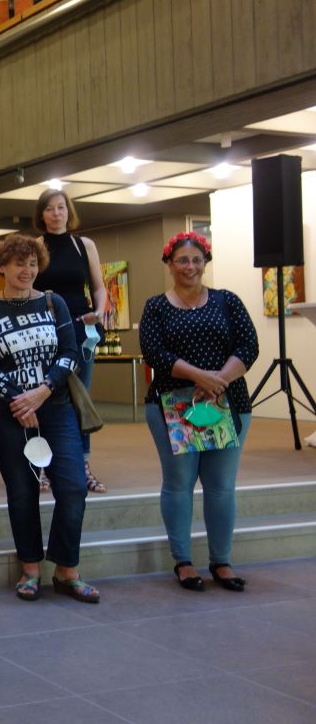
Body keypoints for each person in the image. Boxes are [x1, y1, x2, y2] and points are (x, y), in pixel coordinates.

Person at [0, 234, 99, 604]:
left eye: (31, 263)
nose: (26, 270)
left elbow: (71, 353)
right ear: (1, 266)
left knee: (73, 485)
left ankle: (66, 569)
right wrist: (18, 401)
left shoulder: (53, 302)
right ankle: (30, 568)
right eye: (18, 263)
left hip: (55, 405)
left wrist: (42, 391)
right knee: (23, 490)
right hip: (7, 412)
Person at [139, 231, 258, 593]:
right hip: (173, 406)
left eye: (196, 260)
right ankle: (184, 561)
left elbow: (249, 345)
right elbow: (154, 353)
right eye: (182, 260)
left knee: (221, 487)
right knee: (179, 484)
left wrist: (218, 381)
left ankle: (221, 561)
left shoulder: (228, 301)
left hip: (228, 403)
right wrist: (200, 377)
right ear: (169, 264)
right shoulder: (156, 306)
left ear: (205, 262)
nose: (190, 267)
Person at [33, 189, 109, 493]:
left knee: (80, 397)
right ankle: (43, 465)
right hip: (44, 330)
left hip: (80, 328)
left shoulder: (84, 245)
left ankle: (82, 465)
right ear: (41, 215)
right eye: (49, 209)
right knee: (45, 395)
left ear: (69, 211)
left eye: (61, 208)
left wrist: (100, 311)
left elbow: (99, 287)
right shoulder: (36, 246)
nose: (56, 213)